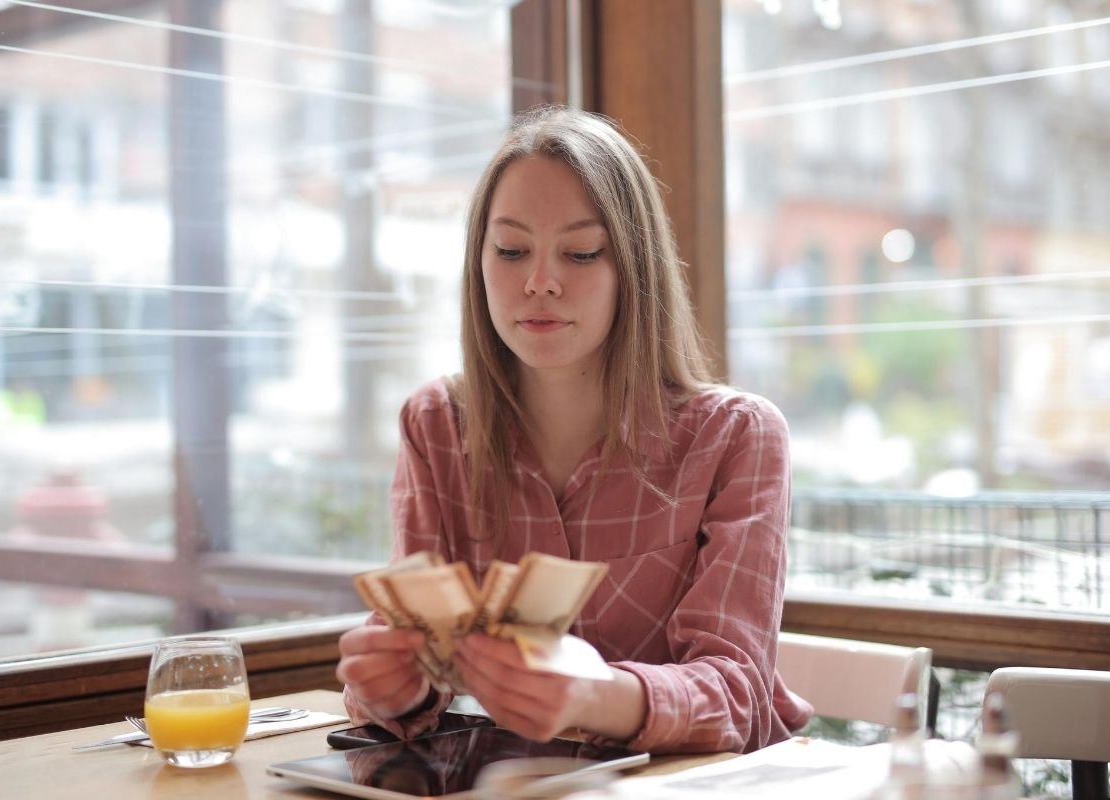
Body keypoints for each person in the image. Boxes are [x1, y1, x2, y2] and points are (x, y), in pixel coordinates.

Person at [337, 106, 812, 754]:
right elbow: (415, 671)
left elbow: (737, 695)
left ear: (634, 269)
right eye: (510, 250)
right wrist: (394, 690)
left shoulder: (736, 438)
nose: (539, 282)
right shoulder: (436, 425)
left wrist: (596, 695)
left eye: (581, 252)